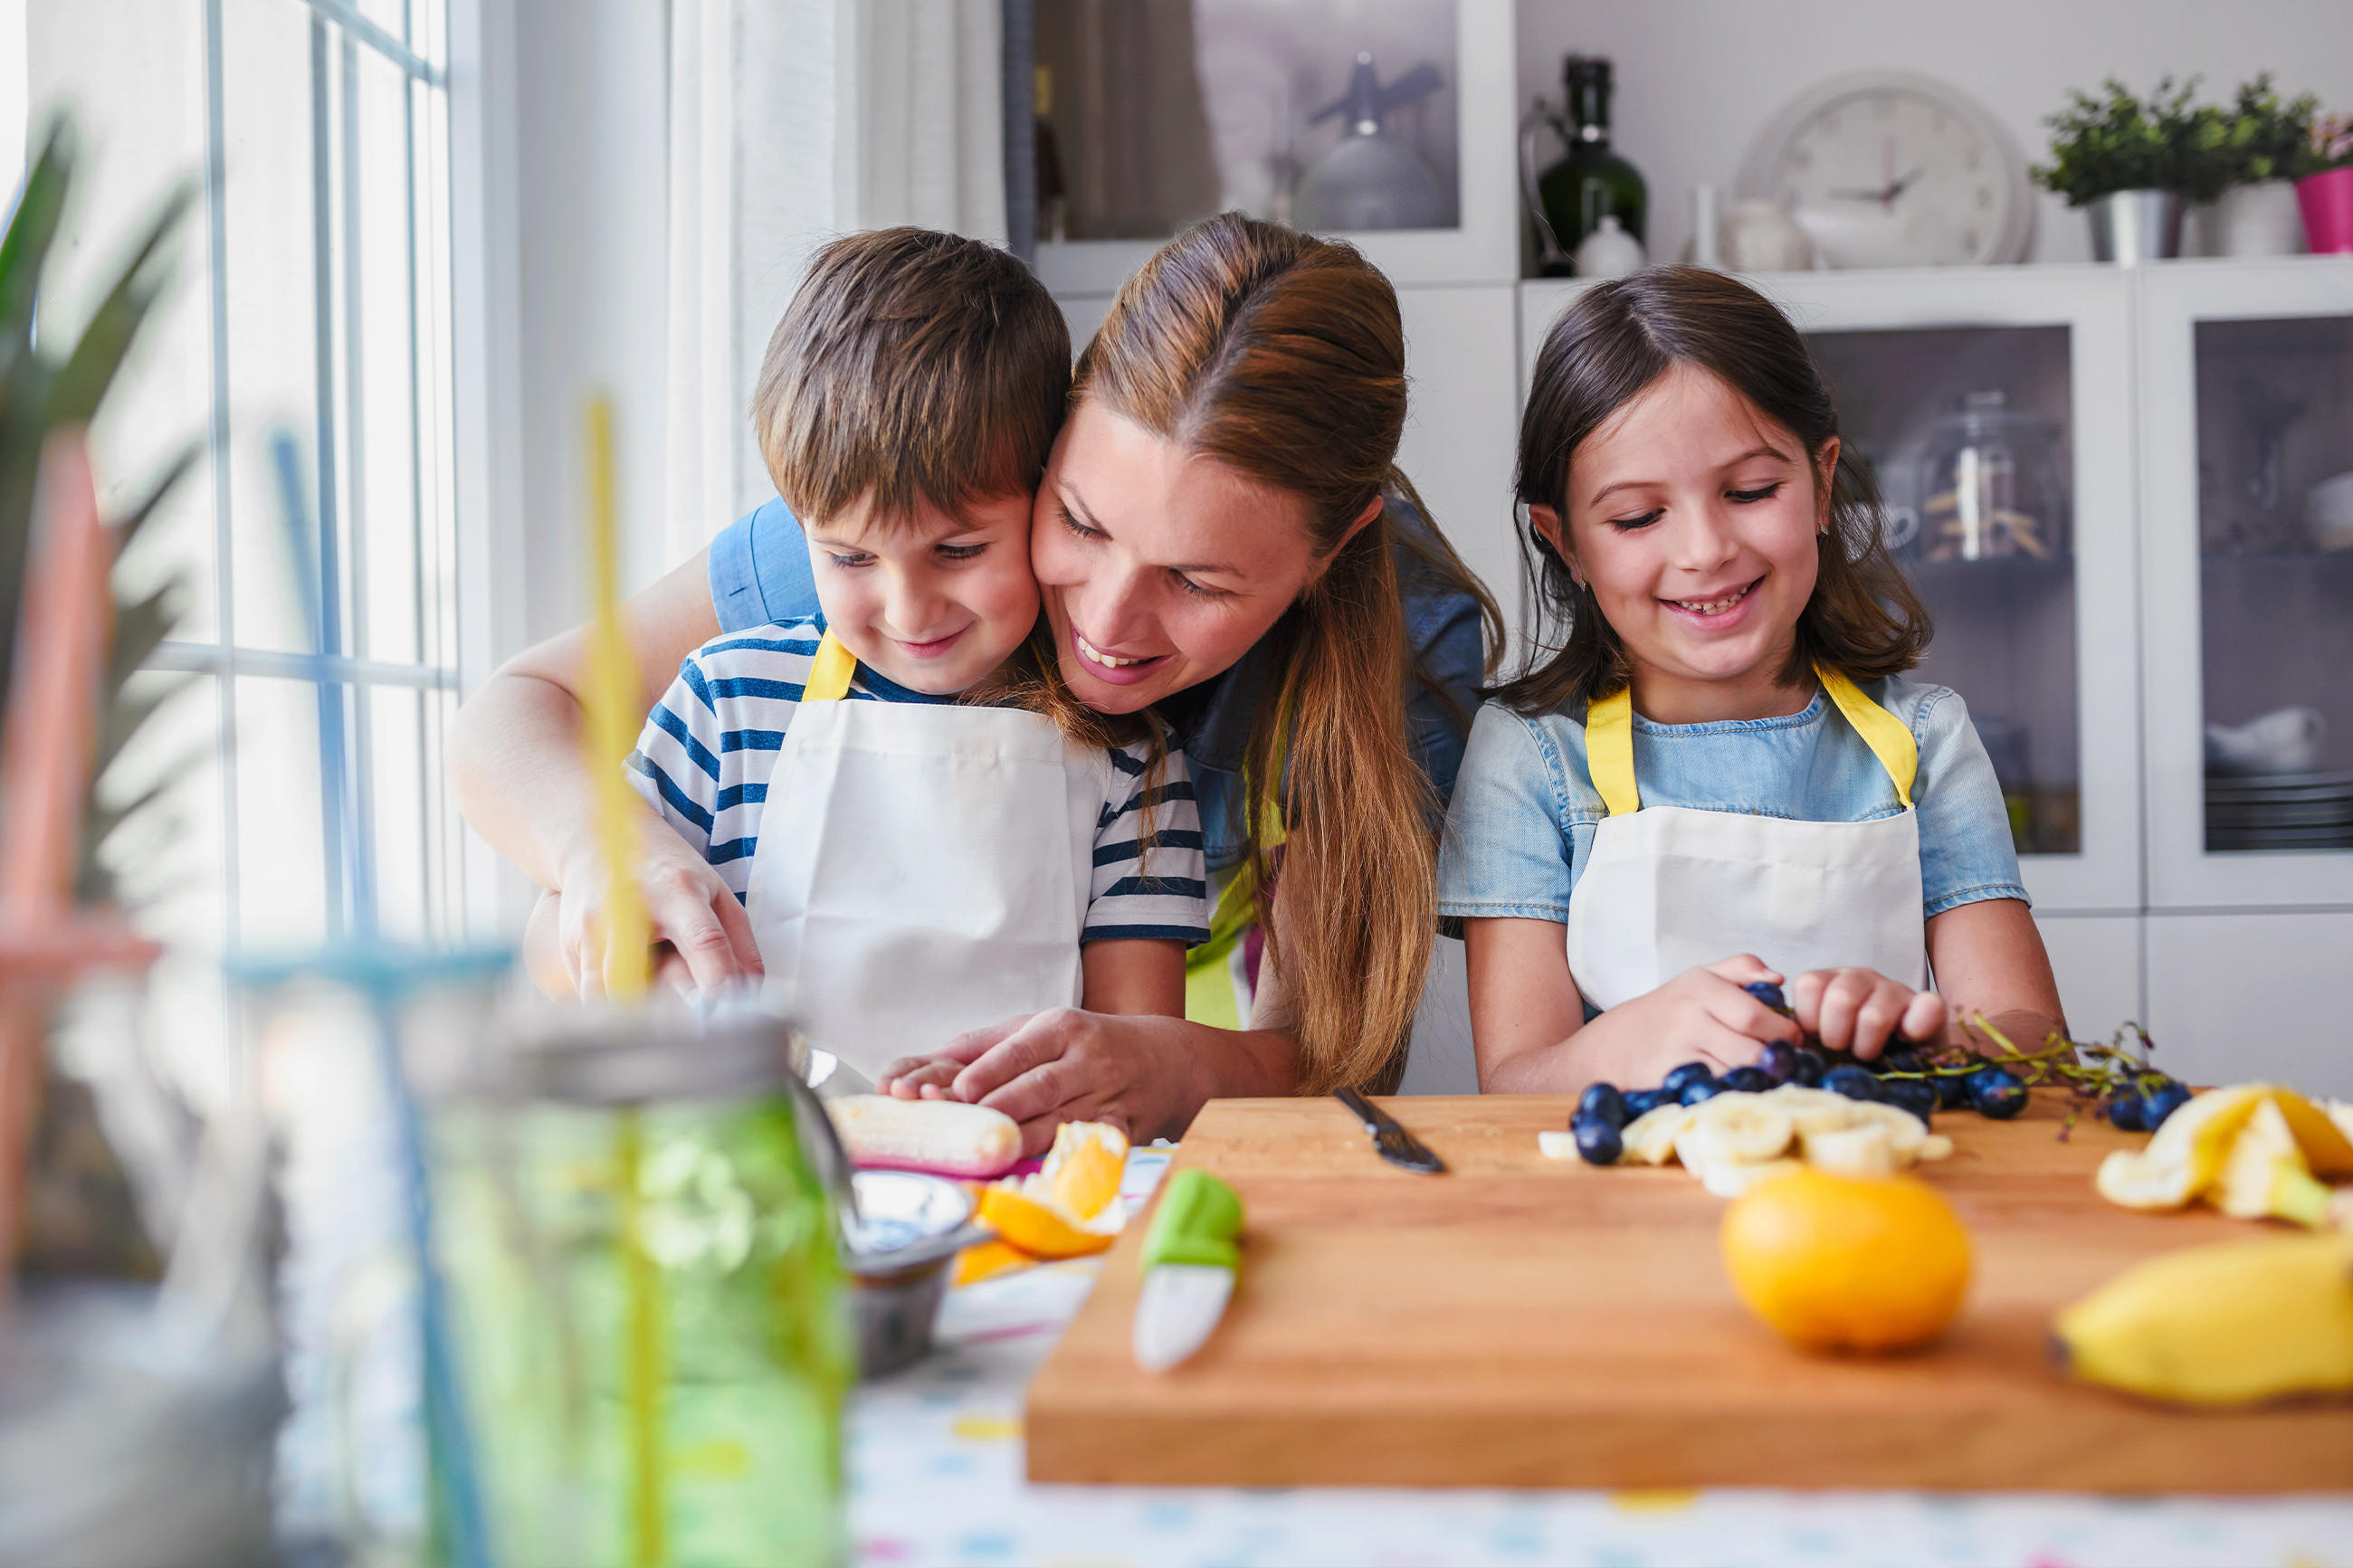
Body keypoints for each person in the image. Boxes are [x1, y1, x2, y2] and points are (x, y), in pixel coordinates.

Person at [449, 214, 1499, 1152]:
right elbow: (524, 709)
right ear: (1052, 438)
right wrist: (607, 861)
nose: (1104, 620)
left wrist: (1163, 1063)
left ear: (1332, 549)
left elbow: (1323, 1047)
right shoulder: (902, 526)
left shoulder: (1403, 651)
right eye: (1080, 522)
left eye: (1196, 581)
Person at [1440, 267, 2064, 1097]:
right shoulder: (1528, 754)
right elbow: (1515, 1084)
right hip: (1621, 1215)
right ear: (1566, 542)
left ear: (1821, 484)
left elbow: (2035, 1044)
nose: (1704, 550)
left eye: (1750, 491)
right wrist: (1624, 1046)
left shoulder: (1924, 737)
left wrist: (1927, 1032)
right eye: (1637, 517)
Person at [607, 229, 1205, 1090]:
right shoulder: (725, 703)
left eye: (958, 550)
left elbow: (1132, 1059)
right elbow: (566, 945)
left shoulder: (1131, 762)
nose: (907, 608)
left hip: (1014, 1187)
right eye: (849, 558)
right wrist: (660, 979)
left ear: (1050, 498)